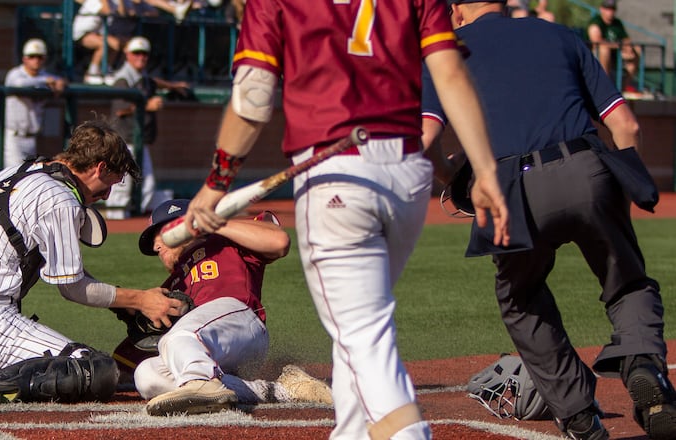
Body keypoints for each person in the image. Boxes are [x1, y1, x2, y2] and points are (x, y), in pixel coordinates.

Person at [179, 0, 510, 438]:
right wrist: (484, 169)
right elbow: (449, 74)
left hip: (336, 174)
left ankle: (408, 434)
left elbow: (253, 96)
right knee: (355, 329)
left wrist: (217, 182)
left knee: (362, 331)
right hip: (406, 175)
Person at [421, 2, 676, 439]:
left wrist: (455, 181)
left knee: (521, 298)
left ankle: (578, 415)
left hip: (510, 187)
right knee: (628, 282)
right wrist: (626, 180)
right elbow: (626, 126)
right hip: (586, 166)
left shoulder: (446, 48)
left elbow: (425, 139)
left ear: (458, 12)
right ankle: (643, 364)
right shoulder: (559, 35)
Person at [0, 119, 188, 405]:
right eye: (108, 185)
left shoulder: (18, 171)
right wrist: (140, 300)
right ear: (99, 167)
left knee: (77, 368)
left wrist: (124, 302)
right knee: (96, 371)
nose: (106, 195)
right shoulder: (59, 197)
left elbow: (60, 267)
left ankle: (4, 379)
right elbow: (72, 287)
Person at [111, 199, 334, 413]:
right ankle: (281, 390)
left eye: (158, 235)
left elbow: (279, 242)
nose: (155, 246)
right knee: (147, 376)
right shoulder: (170, 289)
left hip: (242, 323)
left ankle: (201, 381)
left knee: (182, 334)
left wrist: (212, 224)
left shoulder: (225, 242)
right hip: (209, 351)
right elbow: (122, 365)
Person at [106, 36, 190, 219]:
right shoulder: (122, 79)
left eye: (144, 54)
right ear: (127, 55)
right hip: (124, 141)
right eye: (136, 53)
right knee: (122, 185)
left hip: (138, 141)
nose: (141, 57)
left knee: (147, 183)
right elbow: (120, 110)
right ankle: (115, 223)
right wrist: (146, 106)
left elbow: (152, 81)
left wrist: (173, 86)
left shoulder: (142, 77)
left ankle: (131, 219)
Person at [3, 39, 68, 168]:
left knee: (28, 176)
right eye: (31, 57)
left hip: (33, 137)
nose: (36, 60)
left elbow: (60, 81)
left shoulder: (44, 75)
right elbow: (19, 84)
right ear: (24, 59)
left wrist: (60, 82)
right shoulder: (16, 74)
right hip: (15, 136)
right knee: (14, 177)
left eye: (39, 57)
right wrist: (46, 81)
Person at [73, 0, 135, 85]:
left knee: (119, 43)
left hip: (98, 33)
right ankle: (92, 73)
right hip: (81, 34)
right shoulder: (94, 1)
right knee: (103, 44)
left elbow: (123, 13)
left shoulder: (114, 2)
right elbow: (107, 11)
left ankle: (107, 70)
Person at [586, 0, 640, 93]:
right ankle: (603, 86)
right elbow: (596, 41)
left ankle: (624, 87)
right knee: (604, 50)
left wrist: (628, 49)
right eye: (607, 9)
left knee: (637, 49)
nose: (610, 12)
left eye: (612, 9)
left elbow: (626, 40)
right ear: (602, 9)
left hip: (616, 54)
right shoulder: (595, 22)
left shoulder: (617, 23)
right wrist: (618, 46)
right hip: (595, 55)